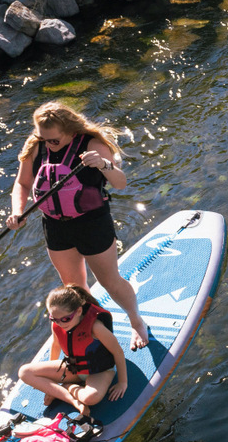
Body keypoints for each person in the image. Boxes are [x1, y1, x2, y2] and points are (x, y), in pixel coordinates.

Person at [8, 102, 149, 349]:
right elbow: (22, 183)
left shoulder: (92, 145)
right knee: (74, 287)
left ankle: (136, 321)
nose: (47, 144)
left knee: (109, 281)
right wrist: (17, 211)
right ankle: (92, 329)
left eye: (53, 140)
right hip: (55, 226)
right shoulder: (36, 145)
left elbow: (120, 183)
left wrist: (103, 165)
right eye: (43, 138)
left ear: (70, 130)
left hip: (92, 223)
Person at [19, 283, 128, 418]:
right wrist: (51, 375)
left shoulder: (96, 327)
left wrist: (122, 382)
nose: (60, 324)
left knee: (91, 398)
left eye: (65, 319)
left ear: (79, 311)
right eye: (54, 319)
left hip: (100, 370)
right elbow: (56, 346)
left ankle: (67, 387)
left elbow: (118, 351)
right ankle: (71, 399)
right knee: (24, 372)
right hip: (74, 368)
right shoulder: (58, 325)